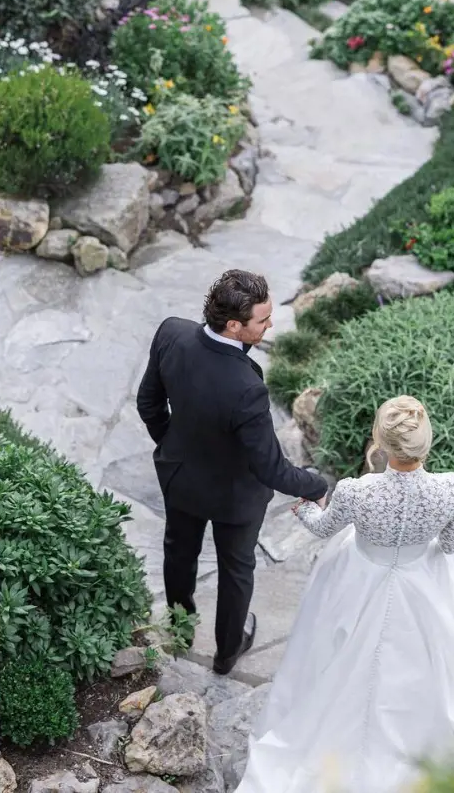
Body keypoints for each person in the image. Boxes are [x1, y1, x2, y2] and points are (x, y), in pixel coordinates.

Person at [235, 396, 454, 793]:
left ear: (381, 440)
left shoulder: (357, 491)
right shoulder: (452, 488)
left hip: (359, 579)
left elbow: (323, 528)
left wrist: (304, 510)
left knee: (332, 654)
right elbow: (448, 546)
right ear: (426, 443)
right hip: (421, 584)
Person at [136, 269, 327, 676]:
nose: (271, 324)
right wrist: (316, 484)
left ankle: (181, 629)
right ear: (235, 325)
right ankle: (226, 652)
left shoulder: (172, 333)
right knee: (236, 569)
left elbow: (147, 403)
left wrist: (171, 445)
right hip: (236, 499)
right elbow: (272, 468)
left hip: (181, 479)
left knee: (178, 553)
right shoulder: (247, 386)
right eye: (263, 320)